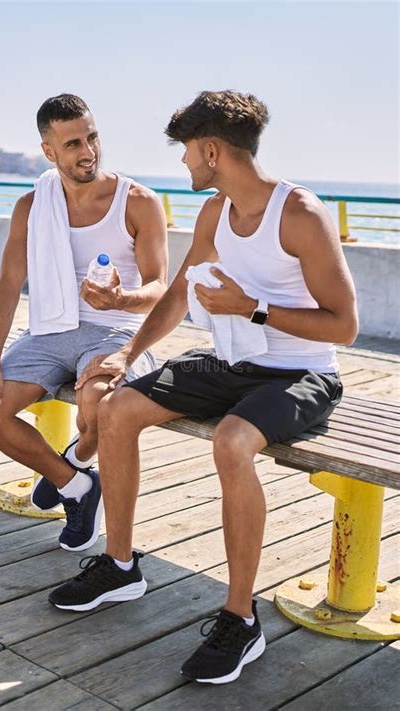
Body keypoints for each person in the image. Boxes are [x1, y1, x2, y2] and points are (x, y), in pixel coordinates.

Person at [48, 90, 358, 684]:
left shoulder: (300, 213)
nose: (184, 164)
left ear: (212, 150)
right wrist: (126, 352)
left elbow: (343, 326)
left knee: (232, 442)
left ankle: (240, 621)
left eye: (188, 152)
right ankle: (119, 564)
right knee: (116, 408)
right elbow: (180, 293)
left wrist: (254, 307)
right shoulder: (216, 213)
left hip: (303, 372)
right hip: (232, 363)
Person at [0, 93, 168, 552]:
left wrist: (121, 296)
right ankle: (75, 485)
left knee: (96, 407)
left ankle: (72, 460)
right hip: (50, 328)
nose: (88, 151)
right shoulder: (32, 207)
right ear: (49, 151)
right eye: (73, 143)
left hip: (116, 330)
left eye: (92, 137)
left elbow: (160, 288)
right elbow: (7, 287)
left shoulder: (138, 202)